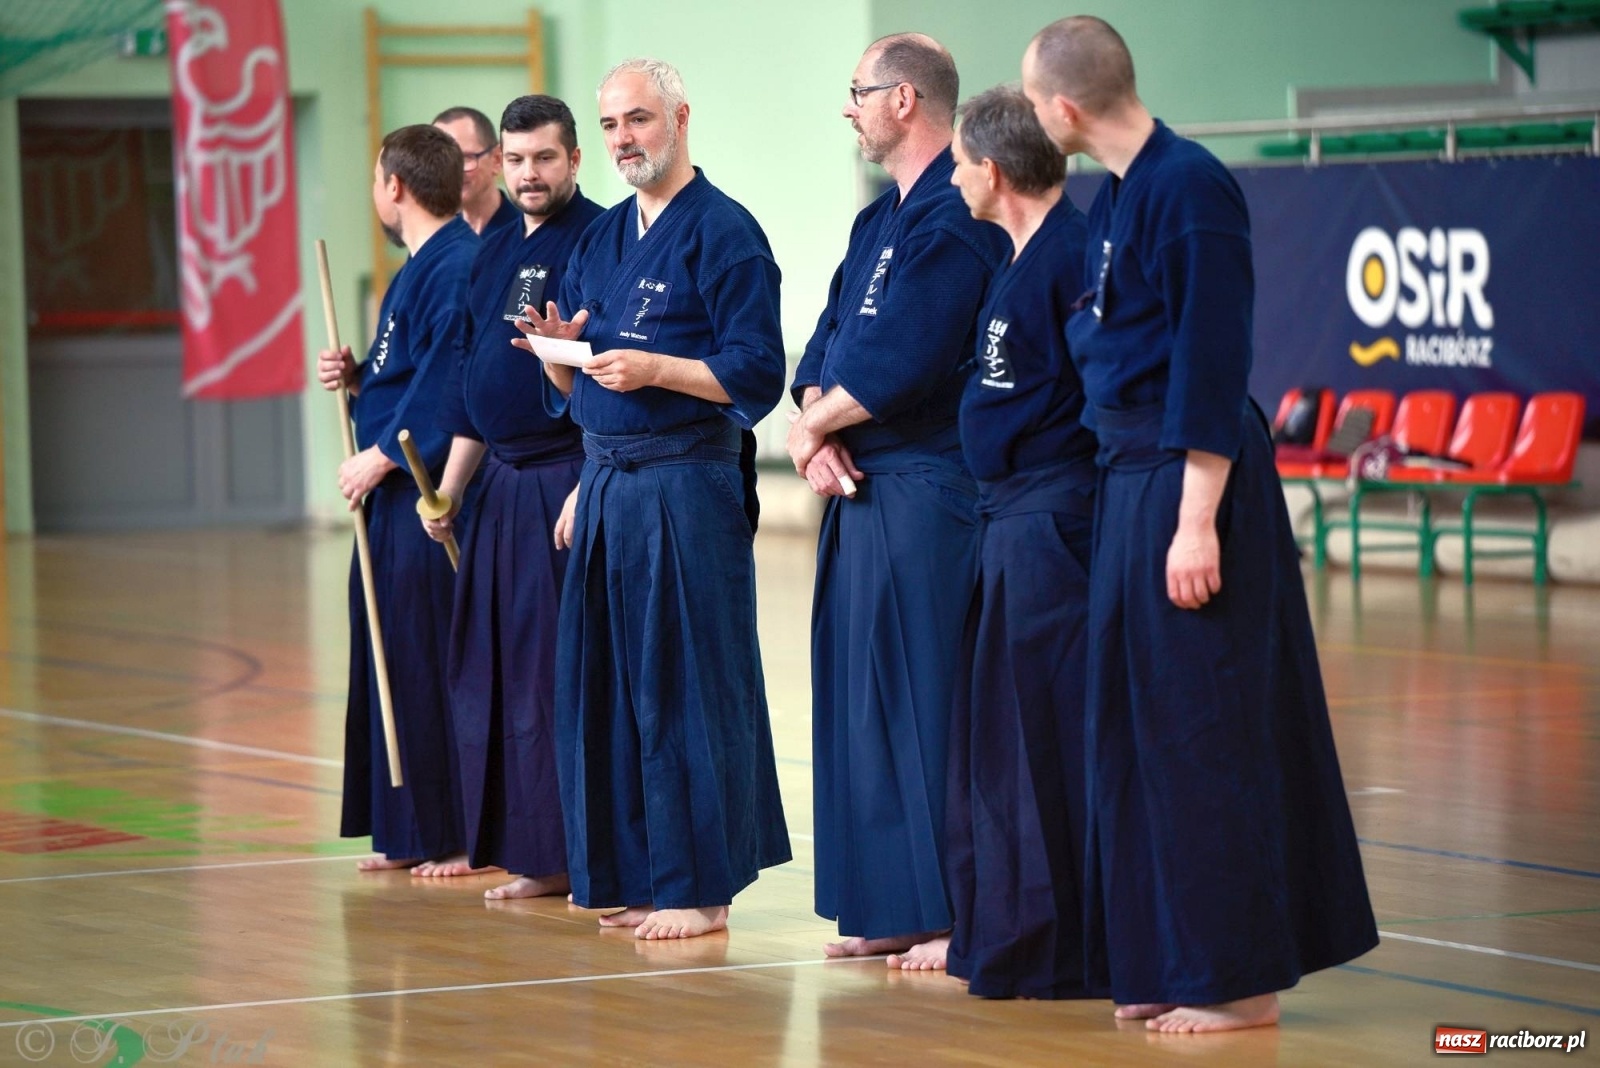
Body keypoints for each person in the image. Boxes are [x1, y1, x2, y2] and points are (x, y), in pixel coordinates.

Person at [1022, 16, 1379, 1032]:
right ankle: (1167, 956)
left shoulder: (1189, 190)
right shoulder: (1119, 196)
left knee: (1202, 733)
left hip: (1191, 481)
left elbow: (1212, 367)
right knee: (1132, 733)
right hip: (1130, 478)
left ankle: (1236, 978)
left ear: (1064, 109)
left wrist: (1195, 522)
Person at [512, 58, 790, 940]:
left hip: (686, 485)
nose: (624, 138)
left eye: (638, 118)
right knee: (611, 686)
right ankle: (638, 872)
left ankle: (700, 890)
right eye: (610, 125)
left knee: (688, 687)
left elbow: (756, 372)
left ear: (679, 116)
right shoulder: (603, 239)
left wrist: (660, 368)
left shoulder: (726, 233)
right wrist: (561, 355)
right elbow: (588, 365)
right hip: (608, 484)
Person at [786, 34, 1010, 963]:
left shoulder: (958, 217)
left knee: (928, 702)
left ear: (906, 99)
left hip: (928, 488)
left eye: (858, 92)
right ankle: (895, 902)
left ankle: (955, 906)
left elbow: (906, 357)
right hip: (859, 489)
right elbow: (825, 343)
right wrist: (814, 416)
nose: (849, 108)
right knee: (861, 703)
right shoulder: (876, 221)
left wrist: (811, 432)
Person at [414, 96, 605, 896]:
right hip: (495, 488)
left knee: (551, 679)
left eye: (545, 159)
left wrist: (591, 480)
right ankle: (528, 851)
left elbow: (601, 370)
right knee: (493, 676)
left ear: (572, 161)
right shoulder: (491, 251)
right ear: (498, 164)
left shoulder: (597, 237)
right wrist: (448, 492)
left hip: (561, 478)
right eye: (518, 160)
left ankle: (567, 853)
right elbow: (468, 389)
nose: (530, 174)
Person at [939, 85, 1099, 999]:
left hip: (1054, 527)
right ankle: (1010, 929)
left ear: (991, 173)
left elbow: (1098, 398)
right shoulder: (1018, 257)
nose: (955, 178)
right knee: (1000, 745)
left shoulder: (1071, 259)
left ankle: (1064, 944)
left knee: (1048, 740)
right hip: (1010, 520)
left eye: (960, 163)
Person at [318, 124, 480, 873]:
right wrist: (358, 380)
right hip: (387, 496)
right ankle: (407, 826)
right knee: (389, 653)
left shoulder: (453, 266)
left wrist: (382, 454)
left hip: (420, 492)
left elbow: (448, 383)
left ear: (394, 188)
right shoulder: (416, 269)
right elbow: (406, 373)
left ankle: (445, 830)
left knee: (421, 657)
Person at [434, 106, 519, 237]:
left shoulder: (526, 235)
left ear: (497, 159)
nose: (451, 172)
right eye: (442, 160)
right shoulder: (435, 236)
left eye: (466, 158)